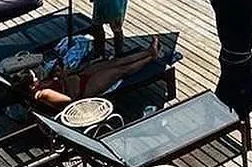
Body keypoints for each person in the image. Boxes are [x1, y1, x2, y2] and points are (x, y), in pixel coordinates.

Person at [22, 33, 161, 110]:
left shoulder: (40, 87)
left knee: (114, 62)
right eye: (34, 79)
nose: (36, 78)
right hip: (84, 89)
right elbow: (69, 101)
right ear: (31, 86)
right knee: (119, 70)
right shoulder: (44, 93)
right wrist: (63, 77)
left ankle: (149, 52)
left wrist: (61, 73)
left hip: (81, 76)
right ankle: (150, 58)